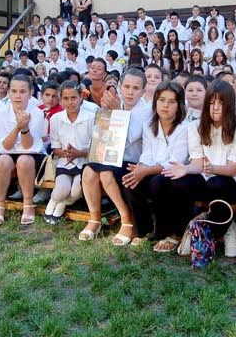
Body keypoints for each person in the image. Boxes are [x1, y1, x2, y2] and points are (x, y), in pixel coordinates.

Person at [163, 80, 236, 256]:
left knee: (216, 183)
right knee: (180, 182)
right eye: (211, 102)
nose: (215, 108)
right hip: (205, 177)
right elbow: (197, 163)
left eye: (221, 103)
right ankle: (191, 228)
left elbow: (233, 169)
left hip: (232, 181)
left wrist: (210, 168)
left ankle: (223, 227)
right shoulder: (195, 126)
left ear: (229, 104)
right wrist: (186, 169)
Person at [80, 68, 152, 245]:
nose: (130, 92)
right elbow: (102, 136)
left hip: (131, 161)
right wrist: (107, 113)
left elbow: (129, 137)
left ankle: (126, 219)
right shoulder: (114, 104)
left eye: (136, 88)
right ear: (120, 87)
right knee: (89, 170)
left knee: (106, 173)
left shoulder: (146, 110)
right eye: (126, 87)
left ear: (143, 91)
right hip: (110, 156)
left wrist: (117, 111)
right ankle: (95, 219)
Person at [120, 81, 189, 253]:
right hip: (152, 168)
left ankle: (169, 232)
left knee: (157, 183)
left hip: (177, 173)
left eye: (171, 102)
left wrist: (145, 171)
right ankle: (144, 229)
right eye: (161, 100)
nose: (165, 105)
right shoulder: (149, 126)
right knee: (130, 181)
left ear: (179, 106)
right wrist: (140, 169)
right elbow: (147, 154)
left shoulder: (186, 128)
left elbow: (176, 160)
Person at [0, 75, 46, 226]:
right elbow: (6, 146)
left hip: (31, 154)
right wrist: (18, 126)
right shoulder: (1, 112)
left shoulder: (37, 113)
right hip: (9, 152)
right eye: (14, 91)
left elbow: (28, 146)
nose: (18, 96)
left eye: (22, 92)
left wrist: (25, 128)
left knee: (24, 160)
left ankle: (28, 203)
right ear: (9, 92)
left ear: (31, 92)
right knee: (3, 160)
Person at [45, 81, 95, 224]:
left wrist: (79, 153)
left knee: (75, 191)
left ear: (81, 97)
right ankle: (54, 200)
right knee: (61, 190)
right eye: (65, 99)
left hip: (85, 163)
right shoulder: (56, 119)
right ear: (60, 100)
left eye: (73, 98)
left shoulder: (90, 117)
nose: (70, 102)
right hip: (65, 162)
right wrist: (67, 153)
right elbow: (55, 147)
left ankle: (61, 205)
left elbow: (95, 147)